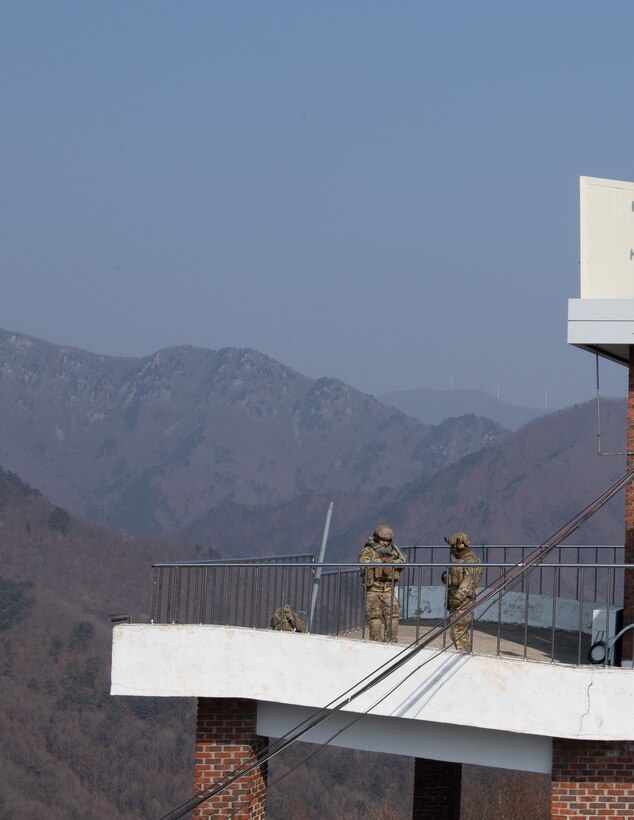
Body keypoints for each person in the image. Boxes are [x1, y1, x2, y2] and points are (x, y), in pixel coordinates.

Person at [358, 525, 406, 643]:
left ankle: (391, 642)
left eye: (387, 541)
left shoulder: (394, 550)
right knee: (374, 619)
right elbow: (364, 562)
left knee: (393, 618)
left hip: (388, 589)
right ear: (376, 538)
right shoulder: (368, 550)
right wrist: (382, 562)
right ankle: (376, 643)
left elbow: (403, 561)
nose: (385, 543)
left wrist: (391, 562)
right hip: (373, 590)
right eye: (383, 540)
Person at [443, 531, 482, 652]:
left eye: (453, 546)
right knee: (459, 630)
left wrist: (458, 597)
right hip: (457, 600)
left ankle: (464, 654)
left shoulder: (470, 561)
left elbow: (469, 580)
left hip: (463, 601)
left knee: (457, 630)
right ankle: (465, 653)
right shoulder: (461, 560)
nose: (452, 549)